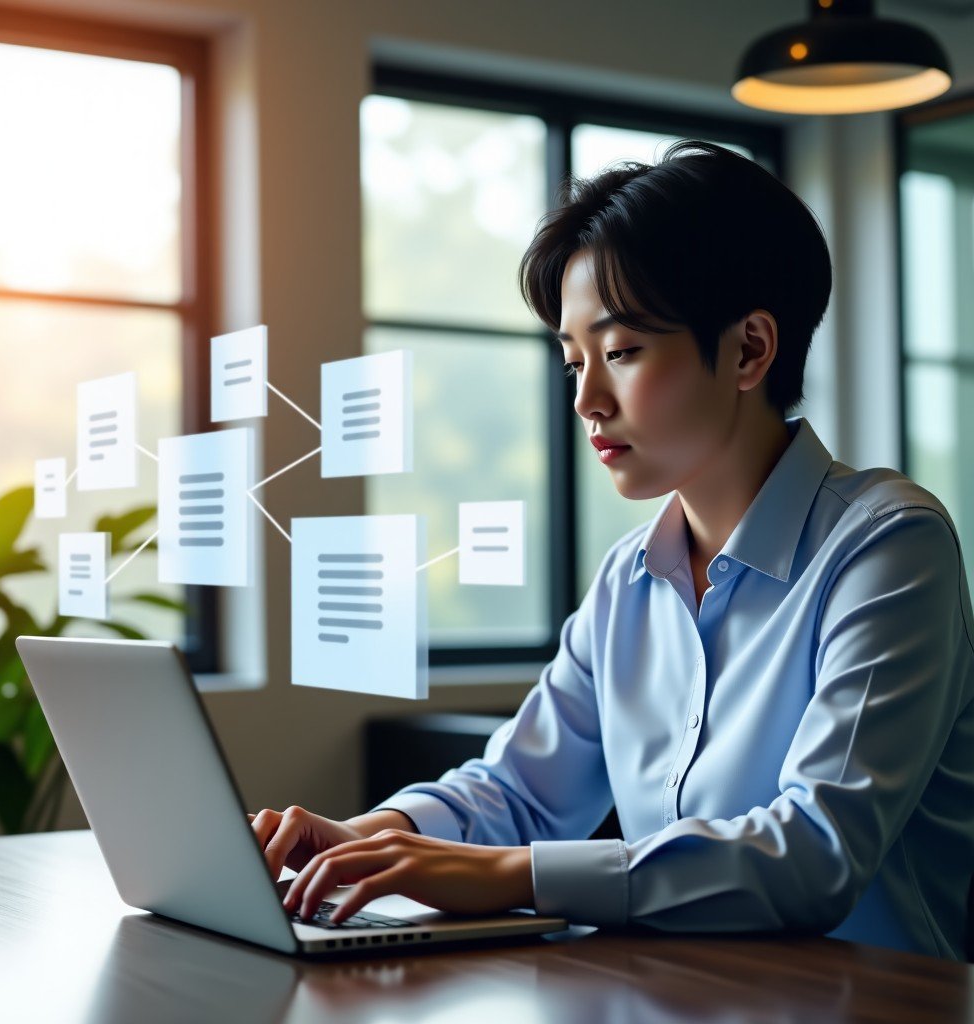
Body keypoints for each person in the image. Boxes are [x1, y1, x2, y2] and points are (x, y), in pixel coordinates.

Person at [252, 141, 974, 960]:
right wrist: (365, 837)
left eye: (622, 352)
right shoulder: (630, 578)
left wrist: (511, 875)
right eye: (572, 362)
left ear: (749, 350)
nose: (588, 400)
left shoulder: (889, 544)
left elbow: (815, 854)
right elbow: (520, 789)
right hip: (672, 997)